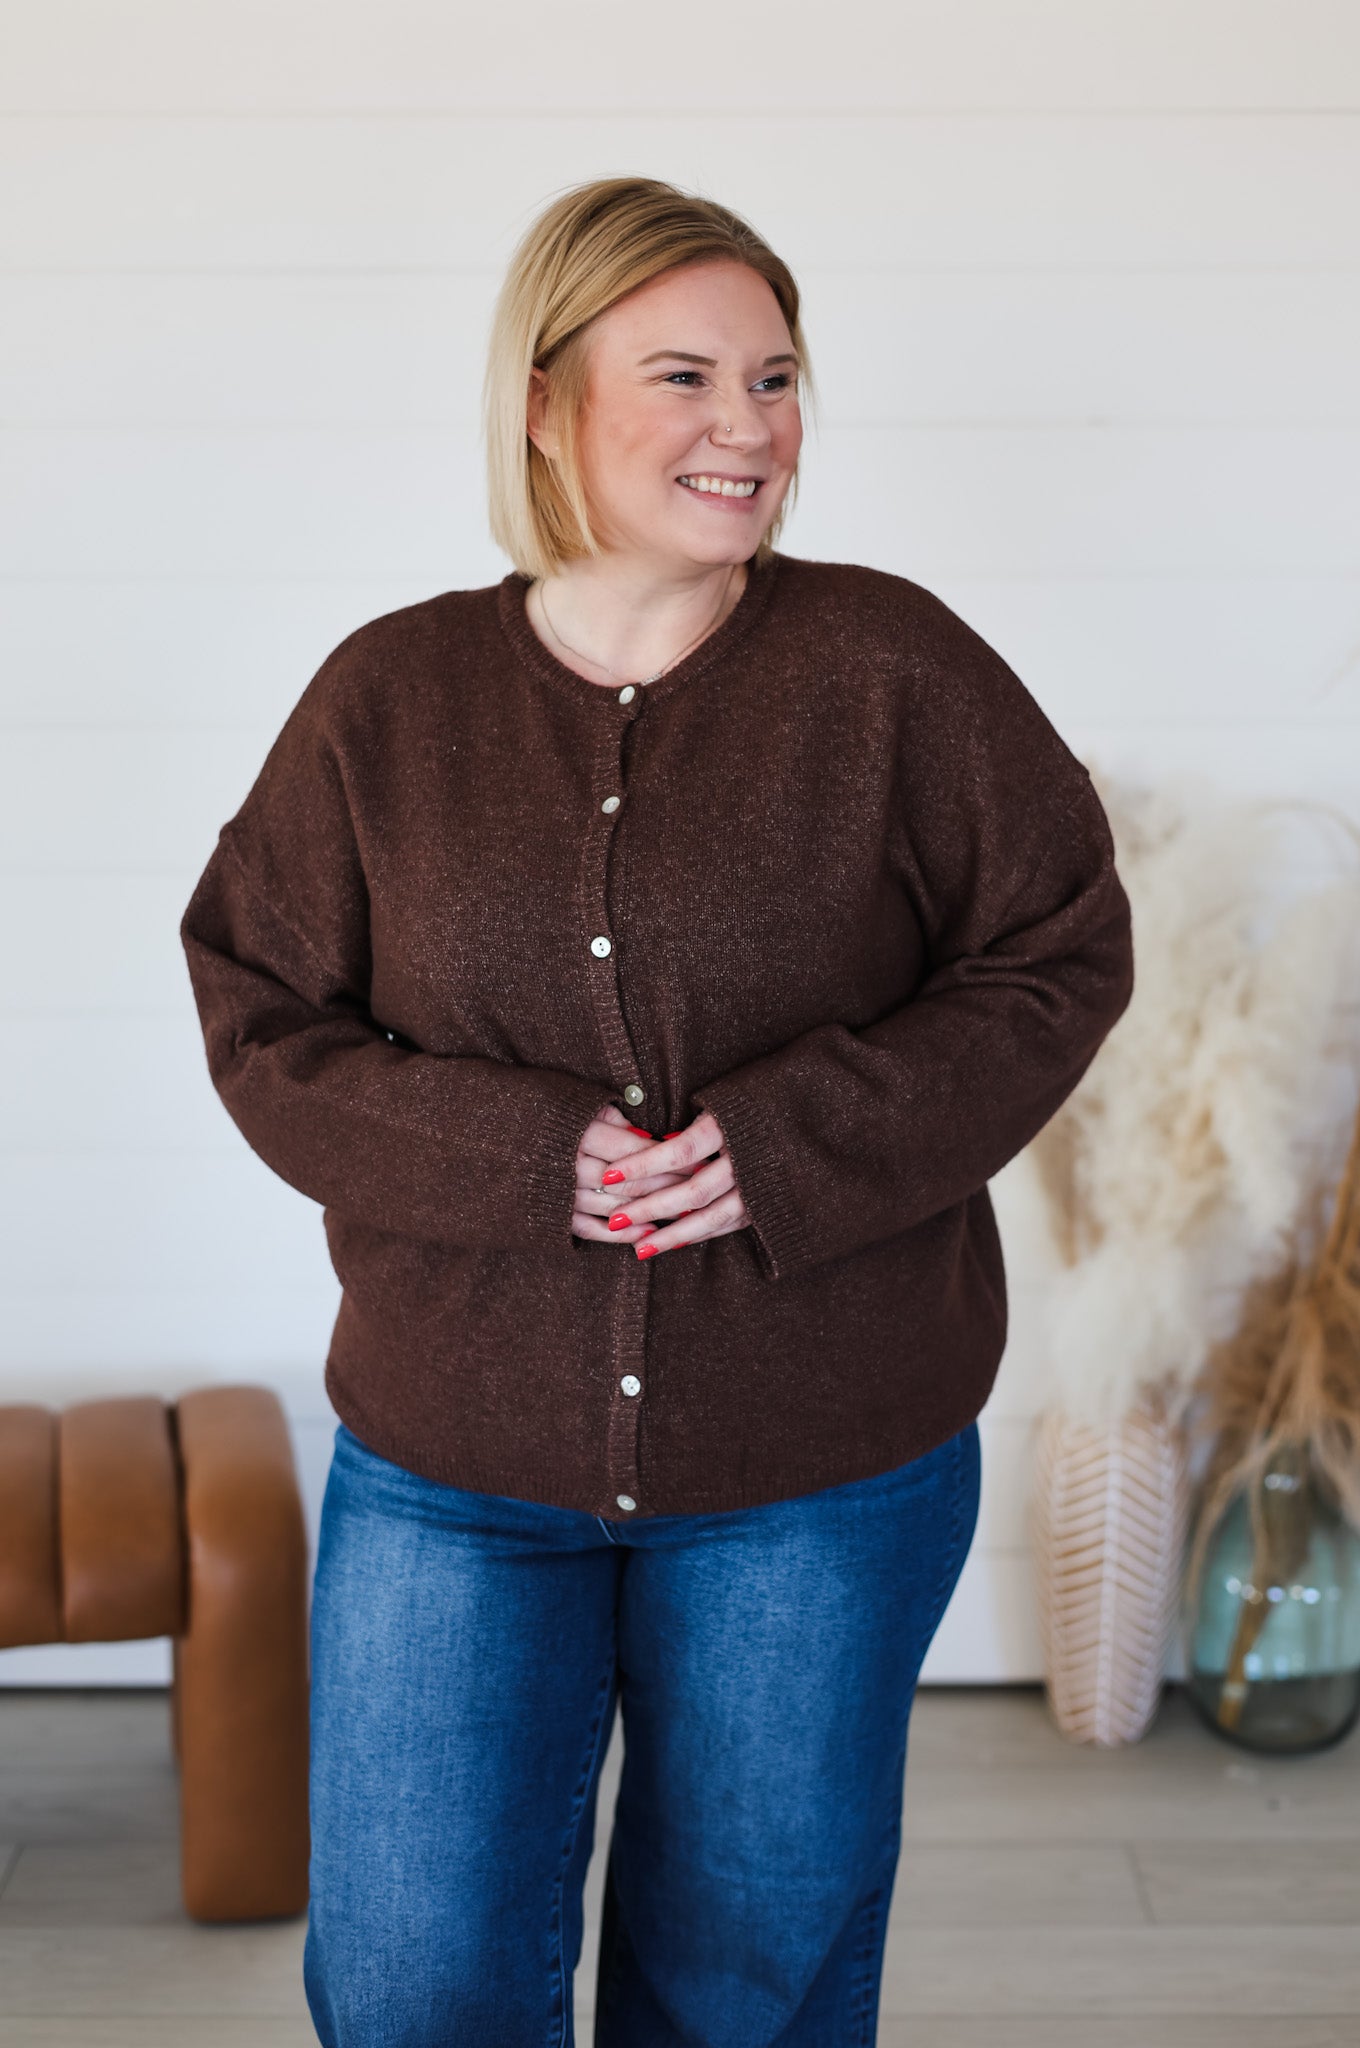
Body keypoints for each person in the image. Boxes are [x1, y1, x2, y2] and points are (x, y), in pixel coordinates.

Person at [180, 175, 1134, 2048]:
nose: (746, 426)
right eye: (684, 375)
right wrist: (521, 1156)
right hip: (454, 1465)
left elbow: (1056, 952)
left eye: (773, 379)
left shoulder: (892, 670)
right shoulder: (390, 698)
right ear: (545, 404)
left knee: (742, 1997)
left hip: (818, 1471)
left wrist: (783, 1145)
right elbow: (258, 1008)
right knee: (412, 1984)